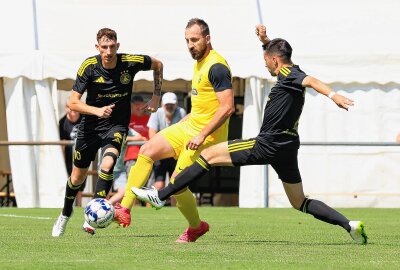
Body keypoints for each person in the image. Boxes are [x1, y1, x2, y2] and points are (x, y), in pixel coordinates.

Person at [132, 24, 368, 245]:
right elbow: (283, 59)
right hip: (287, 147)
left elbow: (312, 81)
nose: (265, 66)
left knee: (209, 155)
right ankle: (350, 225)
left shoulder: (290, 74)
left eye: (266, 61)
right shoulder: (290, 69)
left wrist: (333, 95)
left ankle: (161, 195)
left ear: (275, 60)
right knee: (299, 202)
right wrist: (265, 41)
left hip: (268, 144)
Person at [114, 18, 235, 243]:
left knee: (177, 185)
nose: (190, 45)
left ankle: (196, 227)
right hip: (189, 128)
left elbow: (228, 107)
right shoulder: (198, 63)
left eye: (195, 40)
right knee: (147, 150)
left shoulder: (217, 67)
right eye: (187, 40)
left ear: (207, 39)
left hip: (208, 137)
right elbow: (202, 108)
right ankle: (125, 209)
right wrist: (181, 126)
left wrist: (200, 135)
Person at [52, 27, 163, 237]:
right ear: (97, 47)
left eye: (112, 46)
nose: (109, 51)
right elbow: (72, 102)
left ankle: (92, 218)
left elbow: (158, 64)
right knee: (77, 178)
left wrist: (157, 95)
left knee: (108, 162)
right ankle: (65, 214)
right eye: (104, 47)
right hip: (90, 127)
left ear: (118, 46)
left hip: (116, 125)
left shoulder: (129, 62)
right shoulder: (89, 66)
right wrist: (96, 111)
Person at [147, 92, 187, 190]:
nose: (169, 106)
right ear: (162, 104)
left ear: (176, 104)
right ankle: (154, 205)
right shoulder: (156, 113)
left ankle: (175, 206)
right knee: (159, 184)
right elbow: (152, 135)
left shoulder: (181, 112)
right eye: (167, 104)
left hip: (176, 154)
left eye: (172, 104)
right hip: (160, 153)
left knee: (176, 183)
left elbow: (186, 132)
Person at [58, 104, 85, 206]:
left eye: (74, 107)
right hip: (69, 156)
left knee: (81, 179)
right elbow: (61, 142)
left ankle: (79, 204)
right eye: (69, 107)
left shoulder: (84, 119)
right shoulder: (63, 122)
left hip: (82, 153)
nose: (72, 110)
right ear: (66, 108)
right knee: (71, 178)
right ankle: (69, 204)